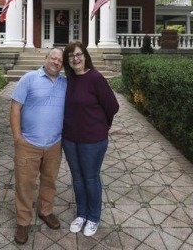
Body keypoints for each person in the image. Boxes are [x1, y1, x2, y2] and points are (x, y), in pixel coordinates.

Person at [61, 41, 119, 237]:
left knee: (91, 178)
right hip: (70, 138)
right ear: (67, 61)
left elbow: (112, 106)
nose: (75, 59)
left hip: (92, 140)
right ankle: (81, 214)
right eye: (71, 56)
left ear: (85, 56)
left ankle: (93, 217)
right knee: (77, 178)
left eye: (78, 54)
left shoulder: (95, 78)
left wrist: (103, 126)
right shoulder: (68, 79)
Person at [10, 47, 67, 244]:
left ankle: (46, 211)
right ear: (45, 58)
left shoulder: (65, 83)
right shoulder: (29, 78)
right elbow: (15, 107)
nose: (56, 62)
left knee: (49, 181)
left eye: (60, 60)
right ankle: (23, 222)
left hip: (54, 144)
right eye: (53, 58)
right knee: (25, 185)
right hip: (29, 143)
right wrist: (18, 137)